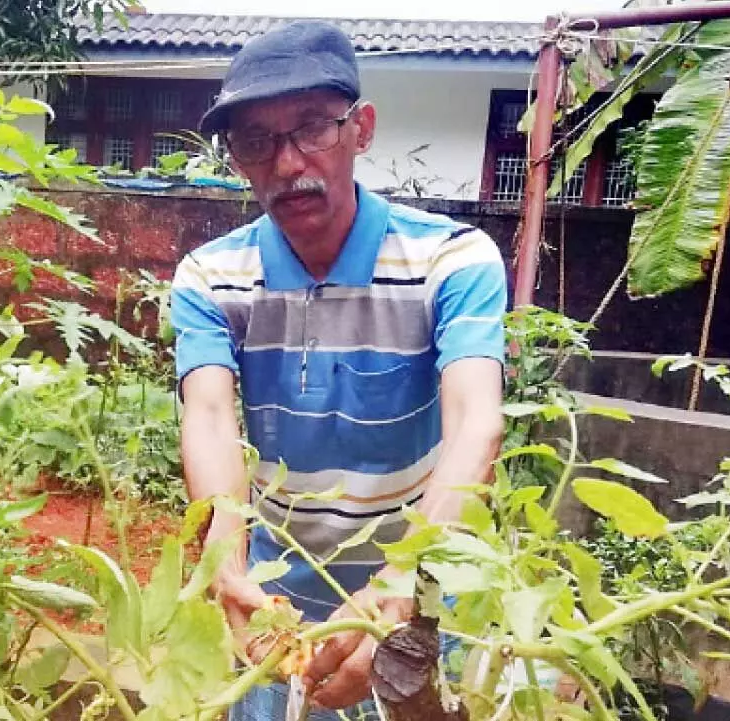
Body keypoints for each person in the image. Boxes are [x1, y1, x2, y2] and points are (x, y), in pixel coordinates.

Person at [169, 19, 508, 721]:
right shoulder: (210, 277)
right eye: (256, 141)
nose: (288, 162)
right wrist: (225, 567)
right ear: (235, 157)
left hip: (422, 586)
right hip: (276, 603)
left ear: (363, 129)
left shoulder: (452, 261)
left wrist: (403, 583)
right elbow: (207, 417)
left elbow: (477, 422)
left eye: (313, 128)